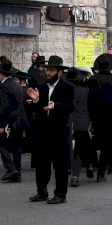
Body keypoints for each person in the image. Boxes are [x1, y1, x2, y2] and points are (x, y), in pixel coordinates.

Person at [25, 55, 75, 204]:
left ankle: (60, 193)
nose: (48, 73)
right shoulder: (41, 87)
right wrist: (34, 100)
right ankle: (42, 191)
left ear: (59, 72)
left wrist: (56, 106)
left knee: (60, 164)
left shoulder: (68, 88)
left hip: (59, 131)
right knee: (41, 163)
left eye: (52, 70)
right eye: (47, 70)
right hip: (43, 131)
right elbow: (36, 108)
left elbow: (70, 106)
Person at [88, 53, 112, 179]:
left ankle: (91, 164)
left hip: (98, 115)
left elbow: (91, 97)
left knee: (96, 141)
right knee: (108, 144)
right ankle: (102, 170)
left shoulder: (93, 79)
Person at [0, 60, 28, 182]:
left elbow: (4, 106)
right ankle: (17, 172)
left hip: (9, 122)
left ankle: (11, 169)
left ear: (1, 73)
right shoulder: (16, 84)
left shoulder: (4, 86)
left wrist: (1, 124)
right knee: (16, 147)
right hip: (20, 120)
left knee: (2, 145)